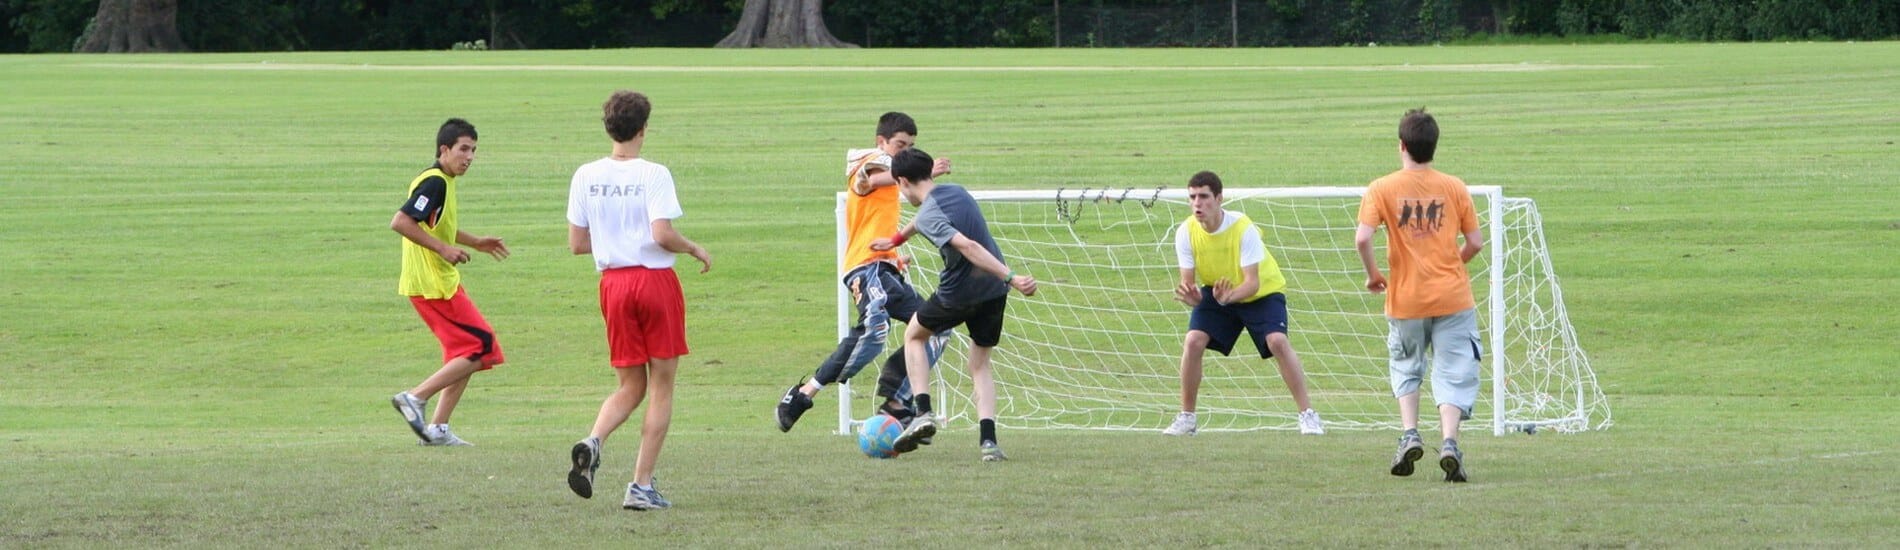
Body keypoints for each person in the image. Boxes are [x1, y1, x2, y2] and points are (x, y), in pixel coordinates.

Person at [563, 91, 712, 510]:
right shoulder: (654, 173)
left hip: (612, 284)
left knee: (630, 385)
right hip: (653, 283)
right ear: (643, 129)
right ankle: (641, 484)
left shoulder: (585, 174)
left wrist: (614, 240)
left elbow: (577, 243)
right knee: (662, 384)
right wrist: (693, 247)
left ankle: (594, 439)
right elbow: (662, 233)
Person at [776, 112, 952, 433]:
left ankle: (896, 398)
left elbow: (884, 219)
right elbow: (869, 181)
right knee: (875, 327)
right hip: (863, 267)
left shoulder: (897, 180)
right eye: (900, 145)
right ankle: (801, 396)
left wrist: (896, 257)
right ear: (881, 142)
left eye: (911, 146)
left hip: (886, 270)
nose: (904, 152)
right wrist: (922, 169)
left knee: (938, 327)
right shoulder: (866, 163)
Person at [872, 148, 1037, 462]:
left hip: (959, 294)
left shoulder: (929, 214)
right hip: (993, 293)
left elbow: (969, 246)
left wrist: (1012, 277)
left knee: (915, 336)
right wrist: (895, 241)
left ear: (903, 182)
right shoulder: (956, 192)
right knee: (979, 364)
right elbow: (920, 222)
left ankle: (922, 413)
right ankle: (989, 443)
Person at [1354, 108, 1484, 483]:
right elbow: (1475, 241)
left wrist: (1374, 274)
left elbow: (1363, 238)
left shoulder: (1381, 188)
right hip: (1452, 297)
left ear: (1402, 145)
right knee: (1454, 370)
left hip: (1406, 297)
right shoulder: (1454, 187)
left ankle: (1410, 432)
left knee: (1407, 365)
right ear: (1434, 147)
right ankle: (1449, 442)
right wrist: (1454, 264)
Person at [1163, 171, 1325, 437]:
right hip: (1218, 292)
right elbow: (1190, 285)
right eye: (1192, 197)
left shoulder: (1242, 228)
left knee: (1277, 342)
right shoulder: (1185, 232)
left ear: (1219, 198)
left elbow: (1253, 283)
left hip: (1261, 292)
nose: (1197, 203)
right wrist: (1193, 299)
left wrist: (1230, 297)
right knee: (1193, 341)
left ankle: (1308, 415)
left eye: (1203, 197)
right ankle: (1187, 417)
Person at [388, 118, 510, 447]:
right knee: (481, 345)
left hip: (441, 282)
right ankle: (414, 397)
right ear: (445, 150)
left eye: (473, 151)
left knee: (469, 352)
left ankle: (438, 430)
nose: (469, 157)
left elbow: (434, 224)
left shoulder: (444, 181)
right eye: (463, 149)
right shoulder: (435, 182)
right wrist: (443, 249)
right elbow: (401, 221)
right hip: (431, 285)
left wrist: (475, 242)